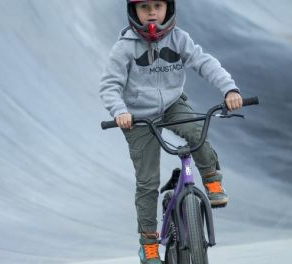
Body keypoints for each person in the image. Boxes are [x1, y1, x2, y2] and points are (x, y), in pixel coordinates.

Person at [99, 0, 243, 263]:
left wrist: (229, 89)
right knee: (147, 182)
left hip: (172, 105)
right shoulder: (124, 48)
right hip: (137, 116)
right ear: (134, 12)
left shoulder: (179, 38)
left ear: (169, 8)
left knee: (196, 130)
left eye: (158, 5)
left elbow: (204, 62)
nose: (152, 12)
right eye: (144, 7)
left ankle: (211, 179)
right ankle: (148, 242)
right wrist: (120, 111)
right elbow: (110, 86)